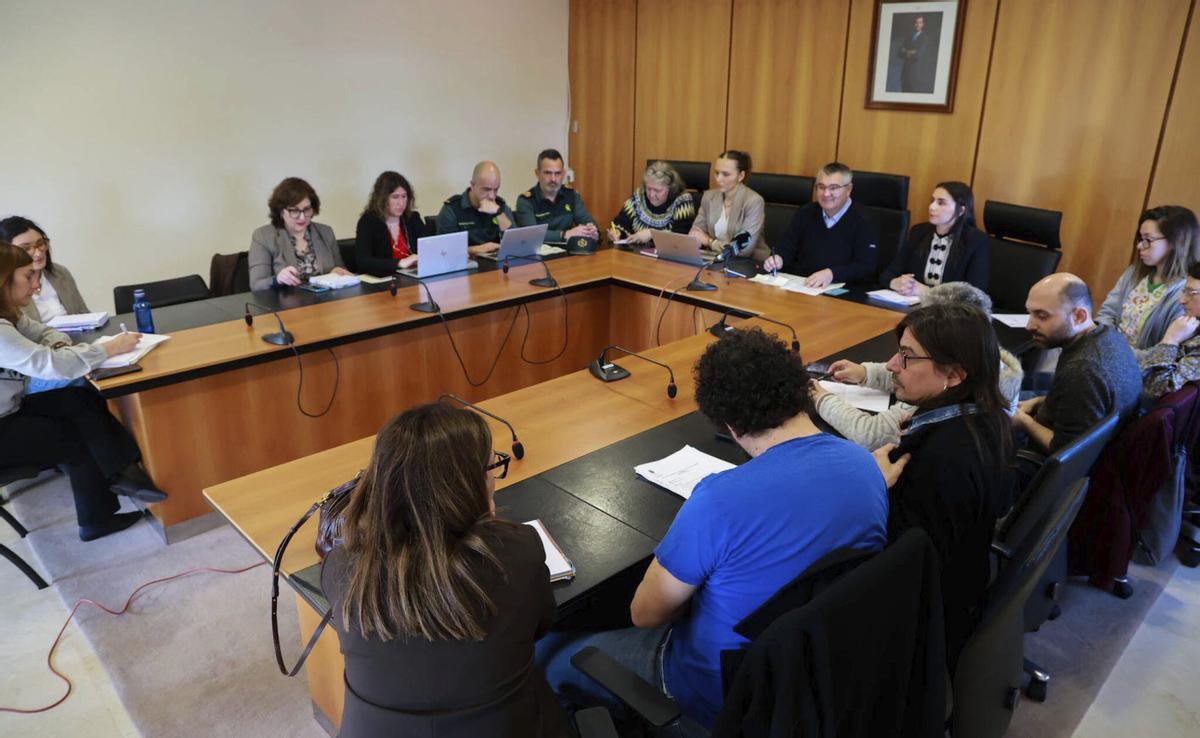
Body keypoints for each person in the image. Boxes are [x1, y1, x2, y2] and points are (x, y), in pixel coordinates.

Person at [537, 327, 888, 731]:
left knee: (546, 655)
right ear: (799, 391)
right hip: (817, 673)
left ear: (731, 426)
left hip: (718, 691)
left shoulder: (720, 501)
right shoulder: (863, 465)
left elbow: (646, 614)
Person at [321, 403, 566, 737]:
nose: (494, 475)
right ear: (469, 482)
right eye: (491, 467)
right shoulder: (518, 552)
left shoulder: (341, 567)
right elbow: (542, 625)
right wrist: (487, 518)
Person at [871, 303, 1014, 672]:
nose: (891, 366)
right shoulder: (989, 416)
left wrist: (875, 488)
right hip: (965, 581)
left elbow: (903, 559)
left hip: (922, 618)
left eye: (906, 357)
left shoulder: (938, 458)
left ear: (952, 375)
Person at [0, 242, 166, 541]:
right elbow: (48, 365)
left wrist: (64, 345)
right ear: (3, 280)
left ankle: (123, 473)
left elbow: (42, 333)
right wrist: (107, 348)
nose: (36, 285)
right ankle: (98, 516)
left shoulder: (9, 315)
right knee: (73, 436)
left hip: (10, 409)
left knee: (80, 400)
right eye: (28, 276)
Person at [816, 282, 1023, 450]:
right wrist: (865, 373)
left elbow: (869, 434)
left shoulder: (938, 426)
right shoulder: (978, 376)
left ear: (953, 373)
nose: (890, 364)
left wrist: (819, 396)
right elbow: (911, 371)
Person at [1015, 274, 1141, 454]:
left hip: (1042, 463)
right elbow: (1082, 402)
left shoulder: (1084, 370)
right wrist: (1038, 402)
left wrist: (1024, 422)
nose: (1029, 325)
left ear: (1079, 316)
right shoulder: (1106, 334)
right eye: (1030, 313)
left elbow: (1065, 451)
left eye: (1041, 316)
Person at [1096, 205, 1199, 356]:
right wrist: (1106, 344)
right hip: (1106, 351)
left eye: (1148, 240)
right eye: (1140, 238)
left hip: (1137, 368)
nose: (1139, 246)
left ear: (1175, 242)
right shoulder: (1133, 273)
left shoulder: (1188, 291)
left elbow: (1164, 353)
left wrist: (1118, 354)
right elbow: (1106, 314)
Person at [763, 162, 879, 287]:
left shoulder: (864, 220)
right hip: (802, 284)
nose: (826, 194)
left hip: (842, 290)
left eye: (833, 188)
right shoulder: (806, 212)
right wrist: (778, 258)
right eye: (821, 187)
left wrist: (832, 274)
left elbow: (866, 266)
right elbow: (787, 246)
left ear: (848, 189)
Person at [880, 182, 989, 295]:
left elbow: (975, 295)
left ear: (961, 211)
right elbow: (888, 273)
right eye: (932, 201)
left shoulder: (975, 241)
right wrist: (895, 283)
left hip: (951, 311)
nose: (931, 207)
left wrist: (927, 291)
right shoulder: (918, 232)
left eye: (941, 203)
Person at [249, 177, 349, 290]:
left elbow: (341, 271)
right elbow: (256, 285)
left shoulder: (325, 232)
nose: (302, 217)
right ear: (281, 211)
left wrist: (339, 273)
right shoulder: (263, 236)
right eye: (294, 211)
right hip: (287, 303)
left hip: (326, 302)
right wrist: (277, 279)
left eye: (306, 210)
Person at [0, 217, 89, 323]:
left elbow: (84, 314)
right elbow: (29, 332)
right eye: (26, 248)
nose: (38, 253)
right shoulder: (6, 289)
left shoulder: (60, 272)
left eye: (40, 244)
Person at [687, 150, 765, 260]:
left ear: (741, 176)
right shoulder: (709, 197)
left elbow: (744, 250)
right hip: (714, 260)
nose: (718, 179)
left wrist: (710, 242)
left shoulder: (753, 201)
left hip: (747, 263)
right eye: (716, 173)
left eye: (725, 174)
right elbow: (696, 234)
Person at [1139, 261, 1200, 398]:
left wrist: (1171, 340)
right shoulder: (1191, 324)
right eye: (1184, 292)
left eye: (1191, 293)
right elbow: (1149, 360)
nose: (1181, 301)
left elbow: (1157, 390)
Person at [514, 149, 598, 244]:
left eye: (557, 173)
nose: (553, 179)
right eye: (548, 173)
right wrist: (564, 235)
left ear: (563, 174)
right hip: (540, 255)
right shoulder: (526, 201)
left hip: (569, 253)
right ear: (537, 173)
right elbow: (531, 235)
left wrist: (591, 230)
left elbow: (587, 220)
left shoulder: (571, 195)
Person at [354, 171, 426, 277]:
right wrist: (399, 263)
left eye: (404, 196)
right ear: (382, 199)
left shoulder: (412, 218)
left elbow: (430, 248)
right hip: (385, 280)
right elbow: (362, 261)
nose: (401, 203)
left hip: (415, 276)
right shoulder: (368, 222)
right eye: (395, 197)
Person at [437, 161, 515, 256]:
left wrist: (498, 213)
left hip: (496, 264)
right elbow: (444, 249)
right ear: (472, 185)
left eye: (496, 189)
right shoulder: (452, 209)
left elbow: (516, 242)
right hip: (465, 264)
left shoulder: (500, 206)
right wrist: (473, 249)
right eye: (486, 189)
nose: (492, 196)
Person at [608, 161, 697, 244]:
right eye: (649, 188)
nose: (651, 194)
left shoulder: (682, 200)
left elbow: (681, 237)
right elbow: (621, 222)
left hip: (667, 257)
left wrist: (652, 234)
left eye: (657, 190)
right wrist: (616, 232)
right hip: (636, 254)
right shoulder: (639, 195)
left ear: (670, 188)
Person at [897, 15, 932, 93]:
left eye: (920, 22)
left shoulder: (925, 38)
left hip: (916, 74)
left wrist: (906, 51)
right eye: (916, 22)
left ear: (923, 24)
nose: (917, 24)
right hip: (905, 73)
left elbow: (917, 56)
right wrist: (911, 52)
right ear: (914, 24)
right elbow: (899, 53)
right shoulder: (909, 37)